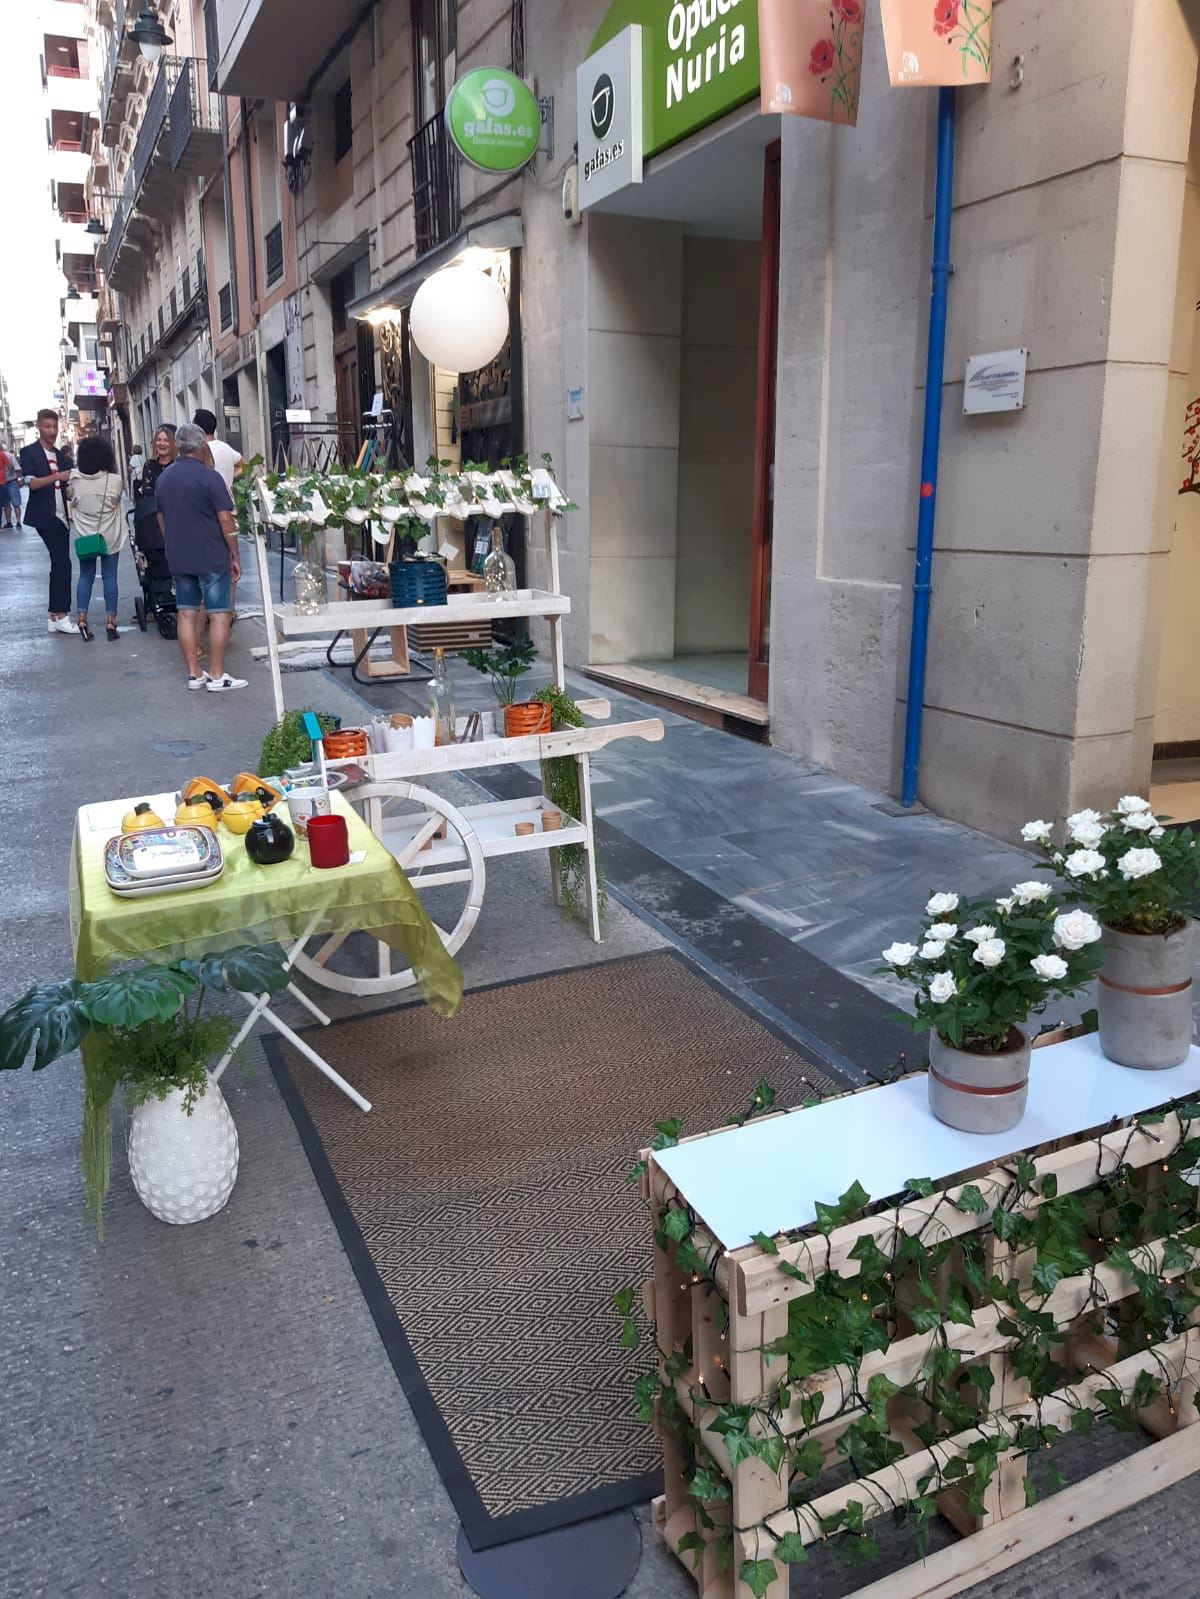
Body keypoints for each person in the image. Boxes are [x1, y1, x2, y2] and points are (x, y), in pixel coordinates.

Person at [155, 421, 246, 692]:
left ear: (178, 446)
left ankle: (194, 673)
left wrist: (170, 543)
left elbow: (161, 517)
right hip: (210, 553)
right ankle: (216, 675)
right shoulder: (210, 478)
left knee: (186, 613)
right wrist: (235, 555)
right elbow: (225, 519)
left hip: (179, 555)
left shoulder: (164, 478)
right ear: (203, 446)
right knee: (219, 614)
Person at [20, 409, 75, 633]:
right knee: (63, 563)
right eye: (47, 427)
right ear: (38, 427)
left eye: (55, 427)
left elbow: (68, 488)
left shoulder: (61, 457)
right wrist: (57, 477)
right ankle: (61, 614)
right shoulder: (29, 452)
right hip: (45, 515)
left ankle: (54, 615)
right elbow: (31, 483)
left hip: (62, 515)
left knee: (59, 562)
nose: (52, 431)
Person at [68, 434, 124, 642]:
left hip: (86, 537)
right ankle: (111, 622)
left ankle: (82, 619)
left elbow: (71, 499)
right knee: (110, 577)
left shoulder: (75, 480)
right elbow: (117, 500)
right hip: (109, 535)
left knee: (85, 576)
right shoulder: (114, 480)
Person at [193, 407, 245, 616]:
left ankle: (208, 611)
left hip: (206, 513)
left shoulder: (200, 451)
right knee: (231, 562)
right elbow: (244, 465)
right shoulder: (226, 448)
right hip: (229, 510)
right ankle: (229, 609)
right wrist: (230, 478)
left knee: (206, 565)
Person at [133, 426, 176, 617]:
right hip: (154, 516)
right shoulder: (149, 465)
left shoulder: (178, 465)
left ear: (172, 443)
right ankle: (160, 591)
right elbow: (147, 490)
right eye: (159, 440)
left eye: (166, 440)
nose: (162, 443)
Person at [0, 444, 22, 529]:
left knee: (6, 504)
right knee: (15, 503)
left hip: (5, 482)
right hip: (11, 480)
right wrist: (19, 479)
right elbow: (17, 469)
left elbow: (15, 468)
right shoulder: (10, 456)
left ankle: (9, 522)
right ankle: (18, 522)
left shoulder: (7, 456)